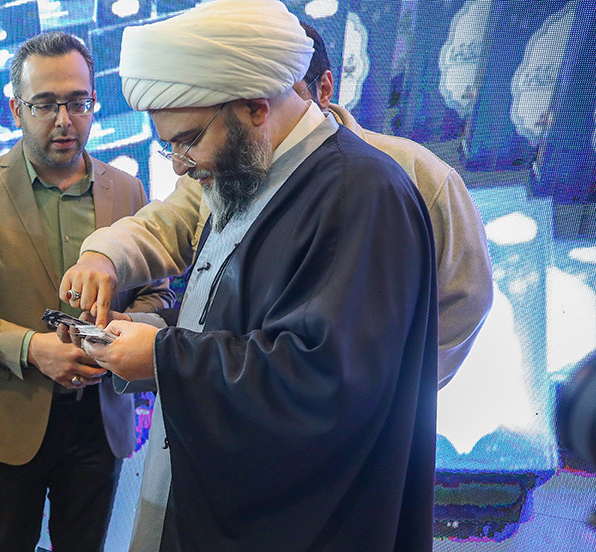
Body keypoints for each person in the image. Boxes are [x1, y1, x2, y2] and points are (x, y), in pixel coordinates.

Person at [60, 2, 437, 552]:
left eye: (189, 140)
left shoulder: (360, 195)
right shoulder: (260, 175)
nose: (180, 167)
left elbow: (324, 384)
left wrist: (165, 357)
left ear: (257, 107)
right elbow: (246, 323)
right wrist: (161, 336)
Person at [75, 20, 493, 390]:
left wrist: (396, 392)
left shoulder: (400, 176)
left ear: (322, 89)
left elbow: (460, 301)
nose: (183, 165)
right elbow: (166, 228)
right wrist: (106, 258)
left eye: (285, 96)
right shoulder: (232, 170)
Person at [0, 32, 170, 552]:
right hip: (10, 415)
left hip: (100, 418)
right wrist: (32, 348)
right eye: (45, 104)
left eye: (78, 102)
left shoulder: (128, 191)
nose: (64, 120)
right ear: (16, 109)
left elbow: (157, 292)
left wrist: (124, 325)